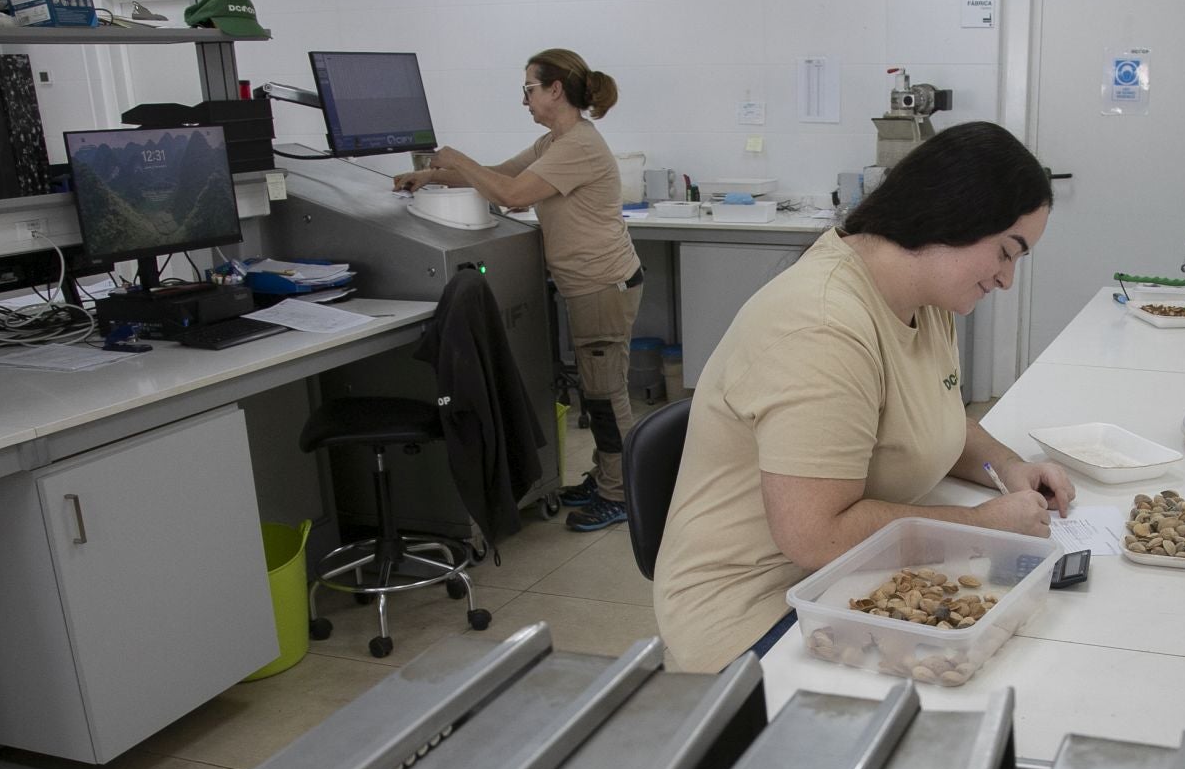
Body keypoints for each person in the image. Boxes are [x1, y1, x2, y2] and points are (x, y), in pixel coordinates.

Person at [653, 121, 1074, 673]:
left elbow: (934, 414)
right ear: (955, 215)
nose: (1006, 280)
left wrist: (1010, 467)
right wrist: (987, 529)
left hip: (849, 578)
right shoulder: (823, 325)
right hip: (758, 616)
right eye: (1006, 252)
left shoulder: (925, 301)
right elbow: (814, 535)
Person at [394, 48, 641, 533]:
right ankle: (606, 475)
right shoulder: (555, 142)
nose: (524, 99)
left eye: (529, 88)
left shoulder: (578, 147)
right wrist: (430, 175)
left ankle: (621, 493)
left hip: (601, 285)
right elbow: (502, 174)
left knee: (606, 395)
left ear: (554, 89)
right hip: (593, 283)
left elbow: (509, 196)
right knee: (598, 390)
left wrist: (456, 157)